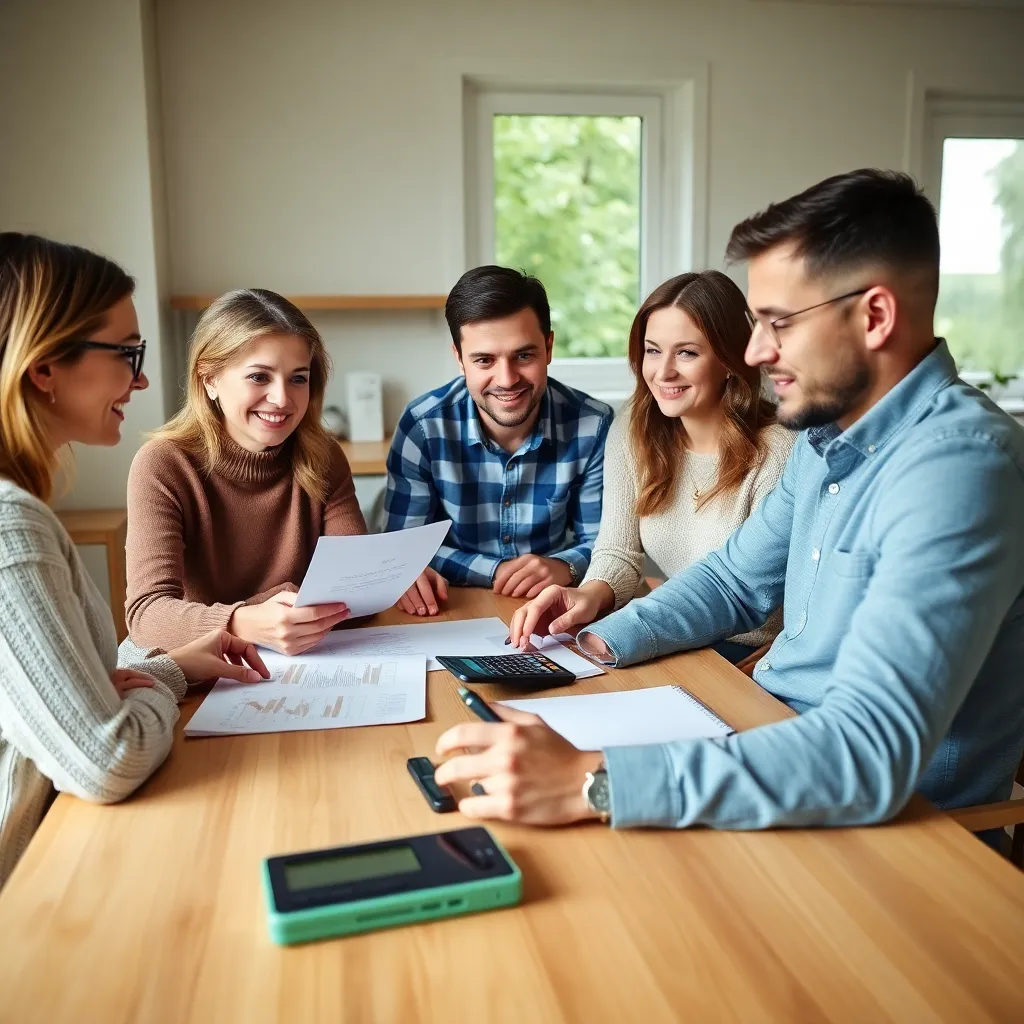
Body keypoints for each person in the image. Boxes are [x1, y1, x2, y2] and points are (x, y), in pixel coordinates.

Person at [434, 170, 1024, 836]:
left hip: (893, 830)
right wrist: (595, 640)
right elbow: (735, 582)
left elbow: (868, 750)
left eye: (778, 323)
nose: (753, 351)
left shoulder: (960, 467)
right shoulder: (827, 437)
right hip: (766, 744)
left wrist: (593, 782)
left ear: (876, 316)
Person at [0, 233, 268, 888]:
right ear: (44, 368)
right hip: (30, 874)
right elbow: (108, 758)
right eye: (127, 353)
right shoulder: (11, 528)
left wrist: (161, 669)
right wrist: (153, 689)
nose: (142, 378)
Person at [513, 270, 793, 663]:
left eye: (687, 353)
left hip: (751, 655)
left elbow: (758, 598)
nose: (663, 373)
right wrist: (588, 595)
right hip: (679, 635)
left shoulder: (779, 453)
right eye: (653, 350)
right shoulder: (633, 429)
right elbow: (619, 551)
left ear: (729, 360)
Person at [126, 289, 367, 655]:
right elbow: (147, 617)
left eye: (297, 378)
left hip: (310, 663)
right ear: (209, 380)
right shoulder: (163, 465)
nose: (282, 399)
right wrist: (244, 620)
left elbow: (351, 589)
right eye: (259, 377)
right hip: (208, 670)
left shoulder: (324, 456)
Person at [384, 266, 613, 616]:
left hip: (552, 603)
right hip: (450, 608)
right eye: (484, 360)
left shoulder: (594, 425)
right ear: (459, 359)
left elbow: (607, 542)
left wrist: (564, 566)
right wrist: (492, 571)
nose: (507, 379)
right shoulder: (423, 426)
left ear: (549, 347)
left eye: (524, 356)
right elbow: (402, 550)